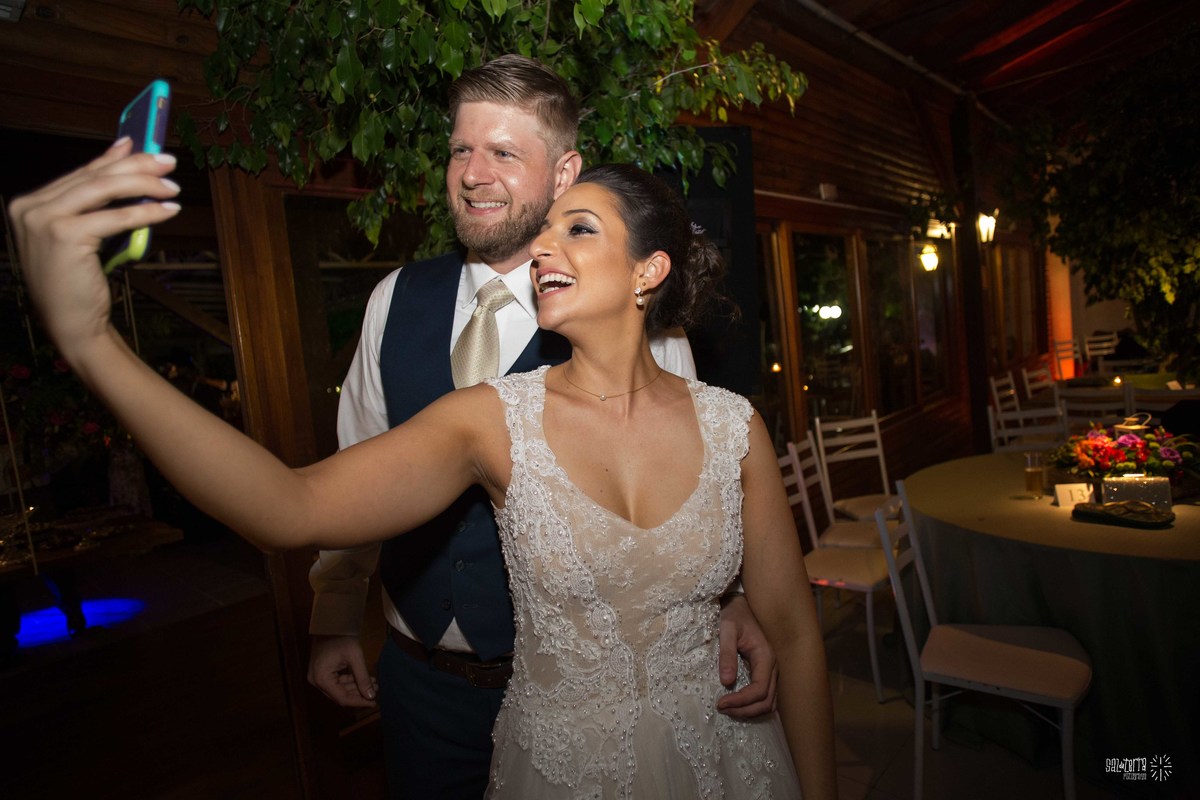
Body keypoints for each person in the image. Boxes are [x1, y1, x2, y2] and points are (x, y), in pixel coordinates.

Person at [10, 144, 838, 798]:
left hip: (727, 762)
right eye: (544, 231)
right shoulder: (492, 419)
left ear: (648, 273)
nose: (544, 246)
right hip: (559, 776)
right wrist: (94, 344)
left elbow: (795, 635)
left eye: (578, 228)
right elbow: (288, 506)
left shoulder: (734, 427)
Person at [305, 55, 779, 797]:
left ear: (564, 173)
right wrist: (334, 616)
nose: (472, 173)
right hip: (421, 682)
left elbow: (697, 486)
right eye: (461, 149)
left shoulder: (637, 321)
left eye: (502, 152)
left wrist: (732, 598)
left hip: (588, 705)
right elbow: (358, 464)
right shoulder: (394, 300)